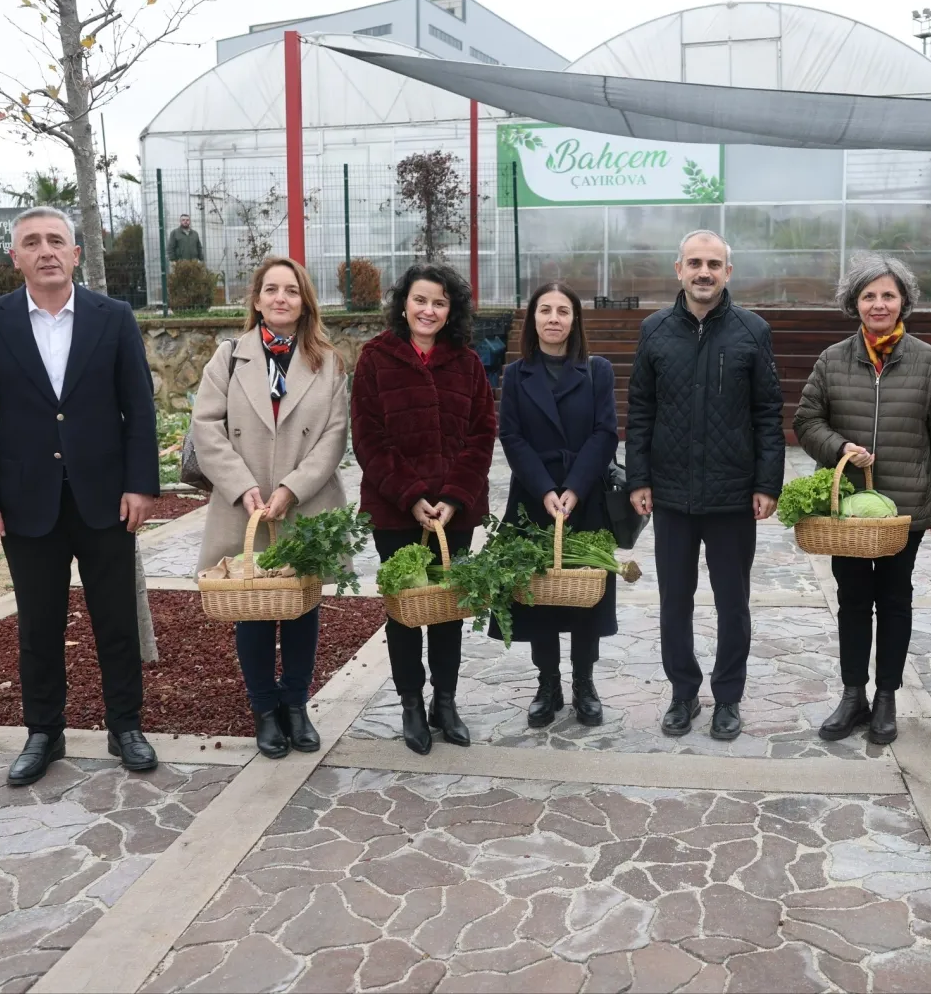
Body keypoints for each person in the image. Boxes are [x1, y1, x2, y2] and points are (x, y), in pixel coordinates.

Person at [0, 206, 159, 785]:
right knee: (38, 625)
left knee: (115, 621)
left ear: (74, 253)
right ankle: (44, 731)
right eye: (31, 242)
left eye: (55, 240)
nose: (45, 250)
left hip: (105, 499)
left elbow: (138, 409)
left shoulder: (113, 317)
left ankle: (126, 726)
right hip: (26, 503)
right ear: (14, 257)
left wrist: (141, 484)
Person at [793, 254, 931, 745]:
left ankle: (886, 696)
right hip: (848, 509)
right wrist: (839, 447)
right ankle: (853, 695)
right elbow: (806, 420)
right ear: (855, 303)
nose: (879, 304)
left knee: (894, 599)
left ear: (904, 301)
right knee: (851, 601)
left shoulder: (927, 361)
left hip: (904, 508)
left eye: (888, 295)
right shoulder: (833, 359)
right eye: (869, 296)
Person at [627, 229, 785, 741]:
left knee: (732, 603)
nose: (704, 272)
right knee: (674, 601)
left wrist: (767, 483)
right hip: (671, 494)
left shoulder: (752, 331)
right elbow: (640, 411)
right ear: (678, 269)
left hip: (732, 495)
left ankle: (728, 697)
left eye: (713, 264)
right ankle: (683, 692)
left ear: (728, 272)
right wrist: (638, 478)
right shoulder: (654, 330)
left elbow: (768, 412)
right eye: (694, 263)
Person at [190, 256, 350, 760]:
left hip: (305, 503)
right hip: (245, 505)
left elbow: (334, 436)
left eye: (292, 290)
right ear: (257, 300)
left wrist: (292, 488)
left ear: (305, 302)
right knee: (252, 611)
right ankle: (264, 708)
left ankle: (296, 705)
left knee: (301, 608)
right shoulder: (229, 357)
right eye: (272, 289)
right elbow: (206, 426)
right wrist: (242, 486)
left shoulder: (328, 362)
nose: (281, 298)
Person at [352, 264, 495, 755]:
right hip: (395, 510)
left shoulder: (468, 363)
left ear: (451, 311)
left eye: (439, 302)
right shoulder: (375, 359)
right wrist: (411, 496)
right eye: (420, 300)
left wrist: (453, 497)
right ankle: (411, 703)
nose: (428, 310)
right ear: (403, 304)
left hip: (456, 513)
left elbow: (482, 435)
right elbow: (368, 437)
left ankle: (445, 702)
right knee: (405, 611)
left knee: (449, 609)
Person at [497, 282, 621, 726]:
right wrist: (546, 489)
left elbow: (605, 432)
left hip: (584, 498)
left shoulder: (598, 370)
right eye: (545, 310)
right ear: (533, 319)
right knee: (539, 595)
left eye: (563, 311)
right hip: (534, 499)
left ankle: (584, 683)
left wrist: (575, 486)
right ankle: (547, 683)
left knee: (585, 595)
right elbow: (511, 436)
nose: (554, 318)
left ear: (575, 319)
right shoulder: (516, 375)